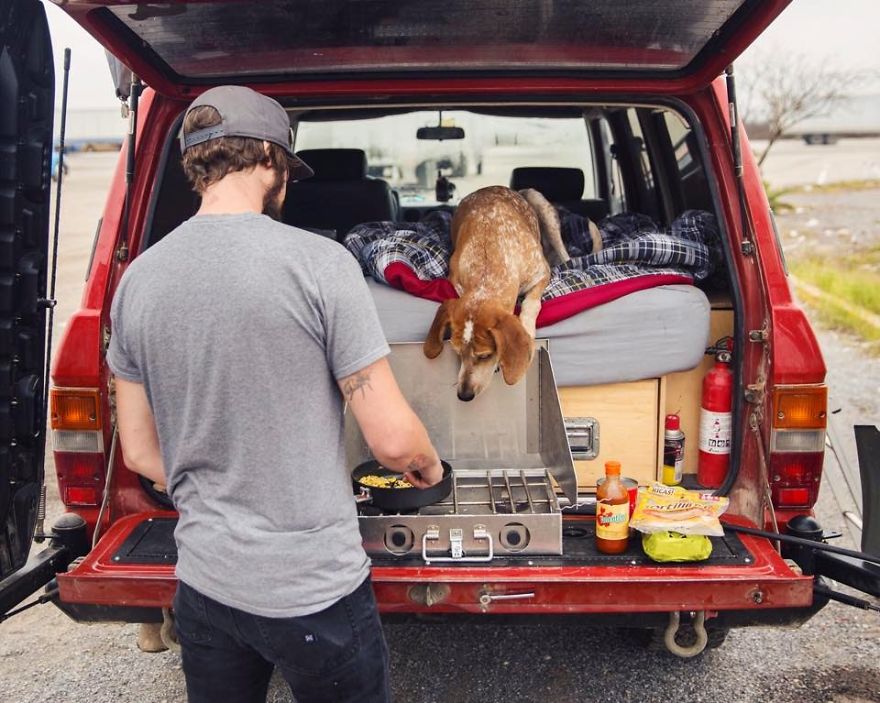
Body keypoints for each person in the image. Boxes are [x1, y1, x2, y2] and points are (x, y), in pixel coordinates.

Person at [107, 85, 443, 703]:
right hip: (313, 591)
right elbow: (393, 442)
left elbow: (140, 453)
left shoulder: (137, 281)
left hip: (205, 587)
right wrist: (428, 465)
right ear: (267, 155)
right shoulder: (320, 264)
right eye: (286, 166)